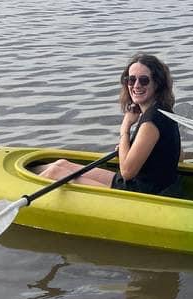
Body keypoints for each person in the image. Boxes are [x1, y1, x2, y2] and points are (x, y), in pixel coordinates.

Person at [38, 53, 183, 196]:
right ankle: (24, 176)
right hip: (143, 185)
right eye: (131, 80)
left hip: (137, 194)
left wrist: (125, 127)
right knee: (61, 164)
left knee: (54, 172)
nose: (136, 85)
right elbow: (174, 155)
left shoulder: (151, 122)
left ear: (157, 83)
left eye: (144, 80)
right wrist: (128, 149)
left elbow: (127, 172)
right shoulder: (163, 111)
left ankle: (24, 199)